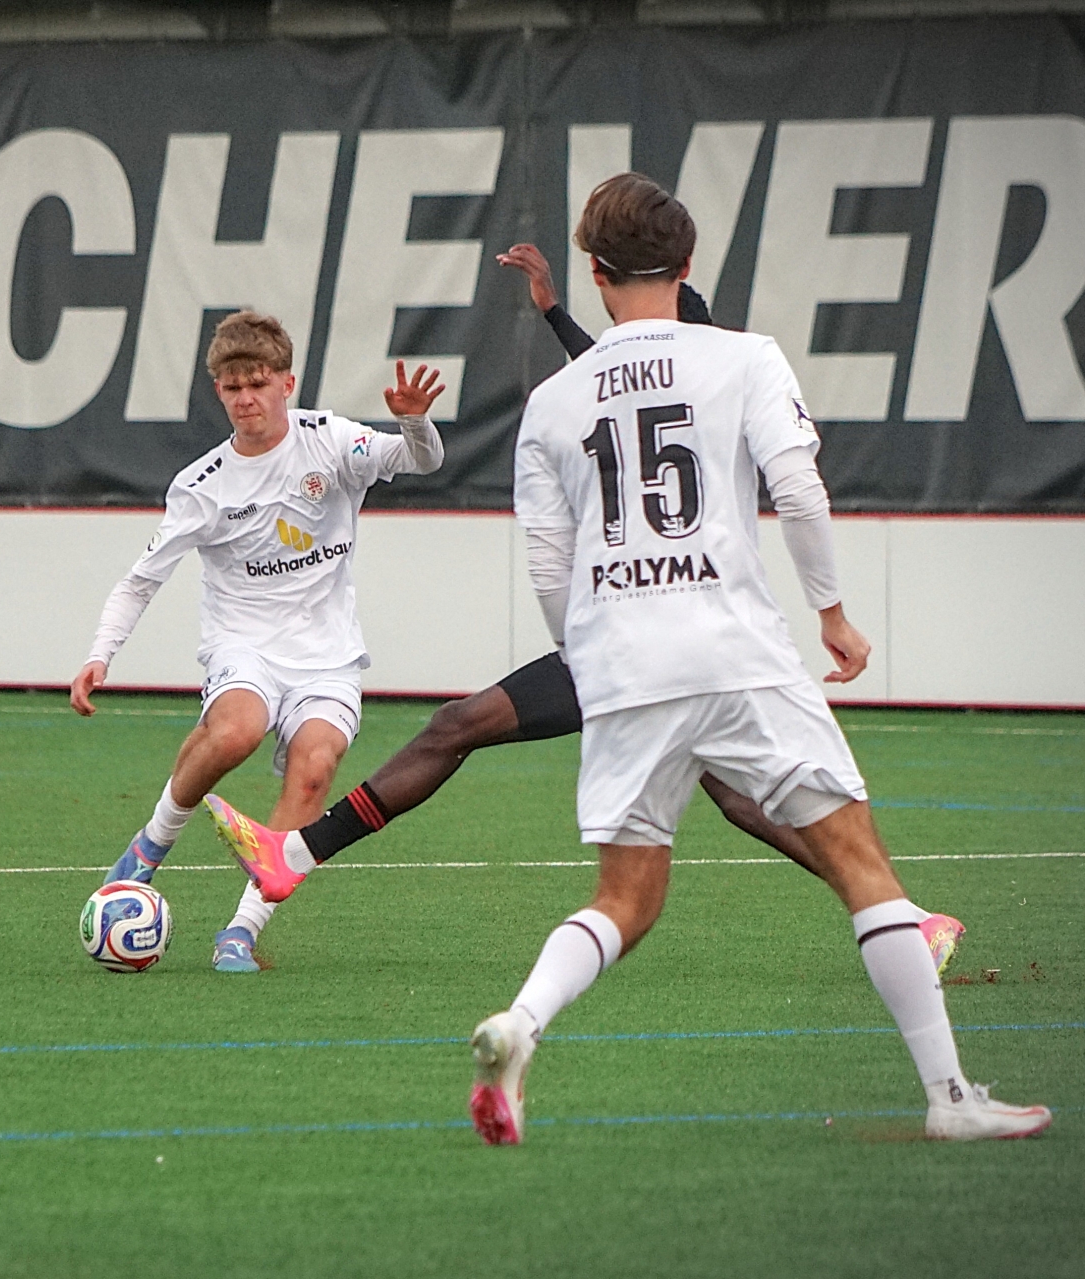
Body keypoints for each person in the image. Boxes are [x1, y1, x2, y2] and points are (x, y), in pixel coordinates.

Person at [458, 172, 1045, 1142]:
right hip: (736, 651)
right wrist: (834, 614)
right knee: (859, 861)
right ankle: (949, 1098)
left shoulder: (555, 401)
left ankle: (521, 1022)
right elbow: (800, 493)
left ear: (597, 276)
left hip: (623, 665)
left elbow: (547, 560)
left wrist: (590, 654)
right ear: (687, 268)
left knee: (625, 897)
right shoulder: (744, 358)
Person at [202, 245, 964, 970]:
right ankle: (908, 919)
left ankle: (294, 856)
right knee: (733, 795)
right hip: (687, 634)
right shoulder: (713, 376)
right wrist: (556, 312)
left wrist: (559, 315)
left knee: (464, 730)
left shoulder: (645, 381)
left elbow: (602, 388)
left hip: (628, 635)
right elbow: (621, 377)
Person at [71, 311, 443, 972]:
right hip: (245, 647)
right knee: (238, 729)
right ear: (218, 390)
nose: (246, 398)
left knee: (316, 765)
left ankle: (241, 930)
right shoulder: (202, 484)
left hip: (328, 657)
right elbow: (141, 580)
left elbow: (419, 458)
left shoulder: (329, 441)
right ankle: (152, 845)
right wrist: (102, 653)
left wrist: (414, 421)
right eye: (232, 386)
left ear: (286, 382)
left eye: (259, 382)